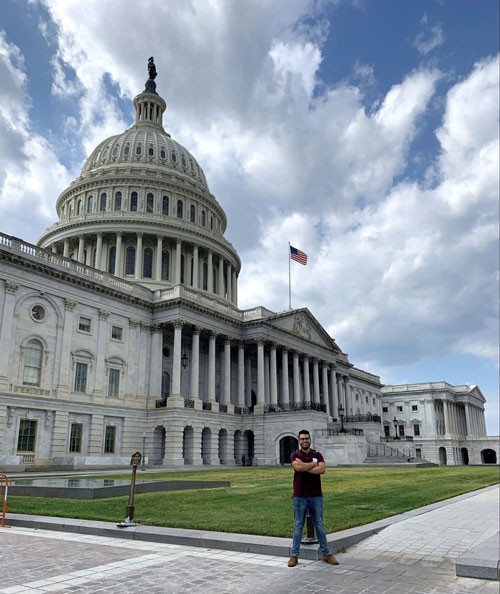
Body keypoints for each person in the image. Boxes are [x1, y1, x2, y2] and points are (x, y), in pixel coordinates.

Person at [288, 429, 339, 567]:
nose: (305, 441)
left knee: (320, 525)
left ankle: (326, 554)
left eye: (307, 438)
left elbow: (322, 470)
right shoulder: (295, 454)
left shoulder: (317, 454)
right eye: (302, 439)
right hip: (300, 495)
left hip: (316, 495)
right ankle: (294, 555)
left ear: (310, 440)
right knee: (298, 525)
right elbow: (297, 468)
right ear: (299, 441)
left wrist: (305, 466)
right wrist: (313, 464)